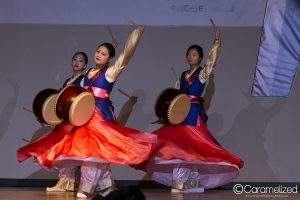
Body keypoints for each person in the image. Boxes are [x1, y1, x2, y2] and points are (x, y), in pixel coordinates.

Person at [35, 19, 157, 198]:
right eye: (98, 51)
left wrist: (137, 33)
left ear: (109, 58)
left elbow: (126, 55)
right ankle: (107, 187)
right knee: (92, 153)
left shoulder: (110, 72)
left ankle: (86, 187)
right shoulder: (87, 74)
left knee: (92, 153)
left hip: (100, 116)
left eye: (104, 53)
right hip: (85, 116)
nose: (99, 55)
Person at [139, 19, 244, 193]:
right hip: (180, 113)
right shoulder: (182, 75)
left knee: (191, 148)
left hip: (193, 112)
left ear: (200, 58)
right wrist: (165, 116)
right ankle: (190, 181)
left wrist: (216, 43)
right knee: (180, 147)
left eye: (194, 54)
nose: (190, 57)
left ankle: (183, 181)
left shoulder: (202, 75)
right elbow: (173, 98)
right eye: (189, 54)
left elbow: (211, 63)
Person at [17, 51, 88, 192]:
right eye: (75, 59)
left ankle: (69, 182)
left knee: (69, 152)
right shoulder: (68, 81)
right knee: (62, 151)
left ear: (85, 65)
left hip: (74, 122)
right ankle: (66, 182)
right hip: (64, 122)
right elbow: (59, 102)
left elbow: (83, 102)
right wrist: (47, 115)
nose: (77, 62)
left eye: (80, 61)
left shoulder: (83, 81)